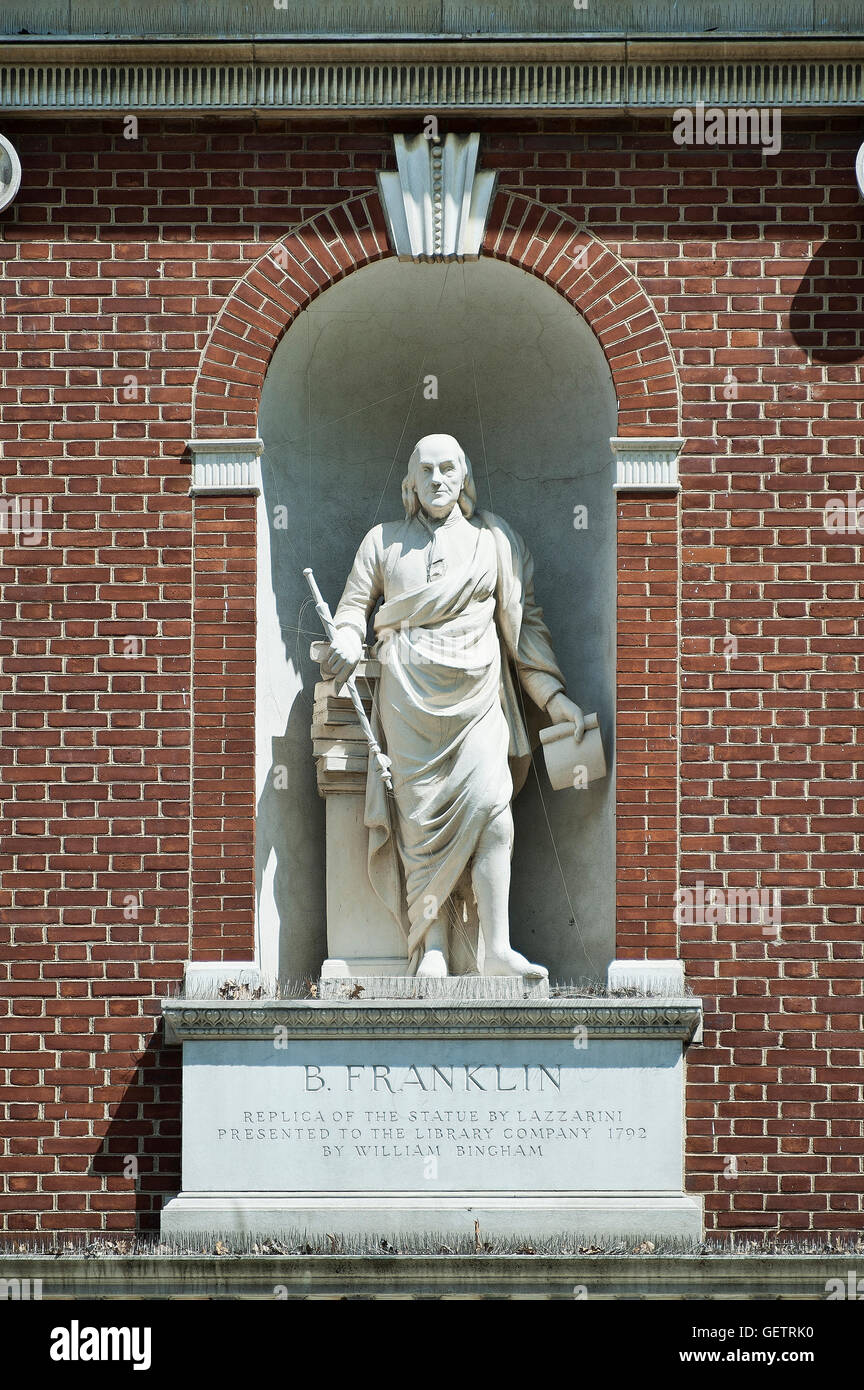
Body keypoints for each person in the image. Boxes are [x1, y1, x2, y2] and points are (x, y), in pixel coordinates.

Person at [325, 433, 584, 978]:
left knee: (493, 810)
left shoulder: (495, 542)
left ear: (463, 476)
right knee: (418, 823)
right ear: (411, 484)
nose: (438, 480)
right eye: (427, 471)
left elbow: (524, 628)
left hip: (479, 697)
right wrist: (347, 639)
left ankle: (496, 948)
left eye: (448, 469)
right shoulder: (382, 542)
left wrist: (552, 698)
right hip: (409, 701)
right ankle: (434, 944)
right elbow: (351, 611)